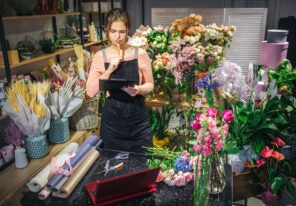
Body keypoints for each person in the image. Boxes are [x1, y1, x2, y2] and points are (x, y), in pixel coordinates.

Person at [86, 8, 154, 153]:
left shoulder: (140, 53)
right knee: (112, 167)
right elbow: (91, 91)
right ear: (107, 31)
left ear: (128, 30)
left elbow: (150, 85)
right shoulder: (100, 56)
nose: (117, 36)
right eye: (113, 31)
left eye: (122, 32)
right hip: (112, 124)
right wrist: (109, 69)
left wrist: (139, 89)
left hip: (138, 122)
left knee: (143, 164)